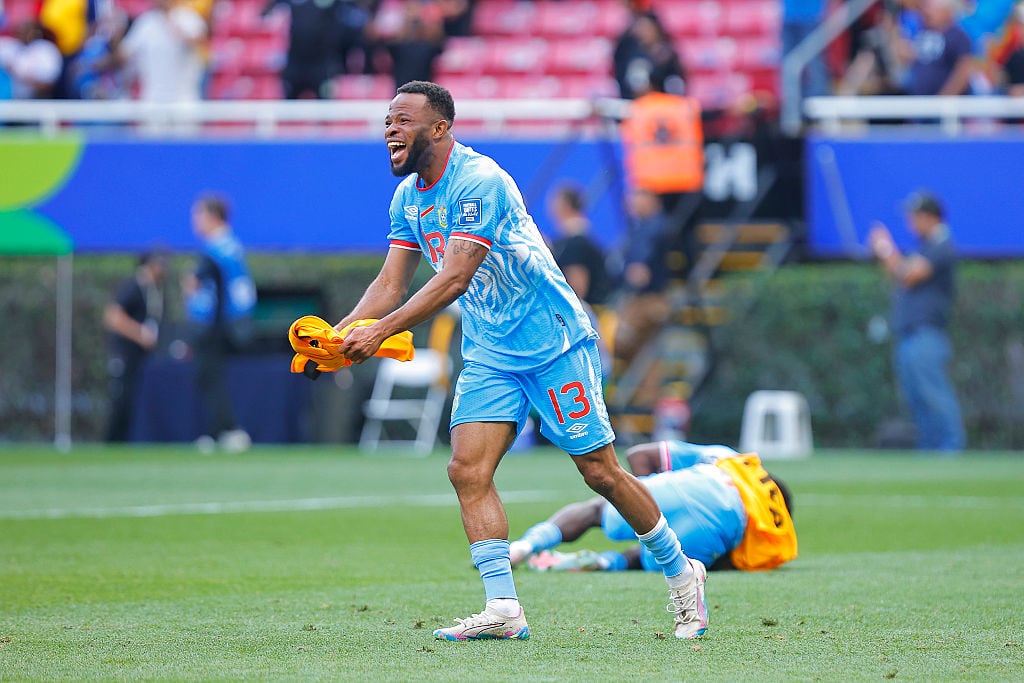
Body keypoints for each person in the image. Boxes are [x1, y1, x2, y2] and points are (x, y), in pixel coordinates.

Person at [333, 80, 708, 641]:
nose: (391, 128)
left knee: (599, 472)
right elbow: (391, 282)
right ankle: (503, 608)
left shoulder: (478, 181)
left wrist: (380, 332)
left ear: (440, 128)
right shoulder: (408, 197)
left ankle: (682, 574)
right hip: (490, 351)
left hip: (553, 344)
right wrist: (340, 337)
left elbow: (455, 278)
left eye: (403, 119)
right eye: (388, 120)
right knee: (467, 470)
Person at [509, 440, 797, 574]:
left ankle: (524, 546)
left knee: (597, 511)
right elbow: (730, 563)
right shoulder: (773, 531)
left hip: (704, 485)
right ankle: (604, 562)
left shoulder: (732, 458)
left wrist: (639, 502)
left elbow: (640, 454)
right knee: (657, 553)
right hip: (719, 531)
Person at [868, 190, 965, 452]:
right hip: (910, 334)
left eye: (915, 216)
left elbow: (908, 274)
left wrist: (885, 248)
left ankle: (950, 449)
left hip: (926, 334)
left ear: (929, 217)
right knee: (917, 397)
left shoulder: (941, 244)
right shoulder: (924, 246)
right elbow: (898, 273)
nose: (911, 222)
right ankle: (930, 450)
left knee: (933, 394)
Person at [182, 193, 256, 454]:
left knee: (211, 377)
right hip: (223, 324)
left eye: (198, 215)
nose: (195, 221)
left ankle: (226, 430)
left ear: (212, 217)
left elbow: (197, 282)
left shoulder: (218, 247)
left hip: (214, 326)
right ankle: (219, 431)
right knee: (209, 378)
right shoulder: (230, 246)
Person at [103, 250, 167, 443]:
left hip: (140, 356)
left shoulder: (155, 290)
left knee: (134, 399)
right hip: (125, 353)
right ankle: (112, 442)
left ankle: (127, 441)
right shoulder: (134, 286)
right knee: (121, 399)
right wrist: (140, 334)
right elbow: (113, 317)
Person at [116, 0, 207, 103]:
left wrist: (169, 21)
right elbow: (123, 55)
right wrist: (116, 31)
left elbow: (197, 42)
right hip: (153, 101)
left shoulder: (189, 18)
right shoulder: (145, 22)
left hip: (183, 102)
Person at [546, 182, 613, 309]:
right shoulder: (576, 238)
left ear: (564, 206)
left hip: (591, 313)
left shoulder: (574, 242)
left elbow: (578, 287)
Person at [0, 19, 63, 99]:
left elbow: (49, 83)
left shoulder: (46, 49)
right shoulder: (11, 47)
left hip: (37, 99)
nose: (23, 34)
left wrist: (25, 77)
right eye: (21, 31)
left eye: (27, 31)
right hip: (11, 99)